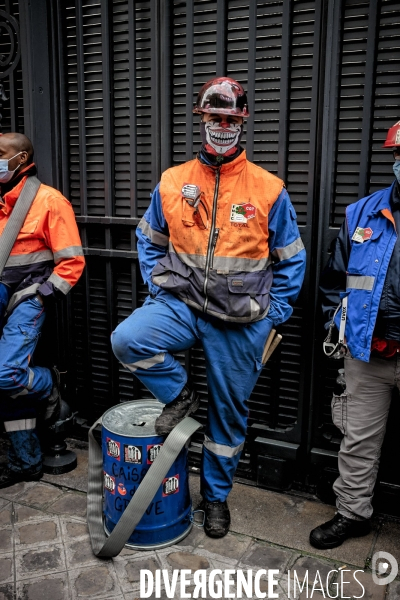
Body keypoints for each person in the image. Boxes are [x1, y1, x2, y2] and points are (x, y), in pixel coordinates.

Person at [112, 77, 306, 538]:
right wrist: (159, 288)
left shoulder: (269, 189)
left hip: (240, 321)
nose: (221, 126)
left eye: (230, 119)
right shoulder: (173, 181)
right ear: (201, 120)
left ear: (242, 122)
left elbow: (292, 258)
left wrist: (272, 315)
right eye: (213, 118)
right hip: (180, 305)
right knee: (128, 339)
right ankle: (180, 395)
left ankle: (215, 500)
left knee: (228, 416)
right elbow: (149, 239)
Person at [310, 121, 400, 549]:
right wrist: (340, 326)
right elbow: (335, 280)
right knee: (358, 440)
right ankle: (352, 514)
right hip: (367, 352)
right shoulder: (362, 213)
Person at [0, 132, 85, 487]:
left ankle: (49, 383)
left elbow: (71, 262)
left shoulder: (49, 201)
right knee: (7, 387)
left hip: (25, 299)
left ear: (21, 159)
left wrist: (41, 295)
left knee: (6, 376)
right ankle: (26, 462)